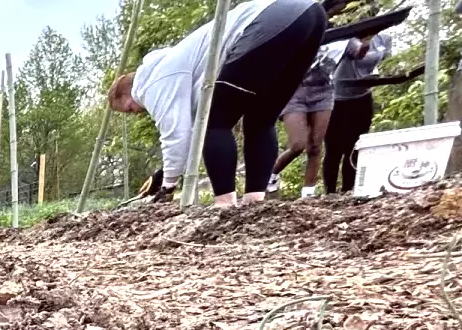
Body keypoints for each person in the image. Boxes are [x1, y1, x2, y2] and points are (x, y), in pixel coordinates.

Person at [110, 0, 328, 206]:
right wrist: (165, 173)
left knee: (213, 122)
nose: (137, 112)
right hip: (310, 15)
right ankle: (254, 202)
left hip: (270, 21)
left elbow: (177, 135)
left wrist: (168, 186)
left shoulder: (150, 84)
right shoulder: (177, 62)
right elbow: (185, 131)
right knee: (260, 120)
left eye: (129, 108)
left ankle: (224, 204)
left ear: (127, 92)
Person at [271, 0, 354, 197]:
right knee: (298, 144)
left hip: (323, 91)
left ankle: (308, 192)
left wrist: (367, 38)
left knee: (315, 146)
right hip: (294, 91)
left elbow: (358, 52)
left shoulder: (347, 34)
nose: (338, 13)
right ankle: (270, 174)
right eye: (335, 9)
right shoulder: (306, 24)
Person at [324, 32, 422, 193]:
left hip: (363, 96)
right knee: (334, 148)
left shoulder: (384, 39)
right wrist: (366, 39)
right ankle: (330, 192)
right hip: (338, 98)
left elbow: (387, 64)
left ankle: (348, 190)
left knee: (355, 146)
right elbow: (359, 53)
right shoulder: (348, 39)